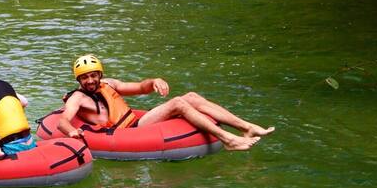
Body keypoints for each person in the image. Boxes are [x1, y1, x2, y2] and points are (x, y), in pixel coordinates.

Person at [56, 54, 273, 151]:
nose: (91, 80)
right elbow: (63, 121)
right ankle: (228, 140)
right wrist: (71, 132)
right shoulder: (78, 97)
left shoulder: (109, 84)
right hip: (127, 132)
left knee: (191, 96)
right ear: (79, 80)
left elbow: (141, 87)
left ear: (99, 74)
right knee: (178, 103)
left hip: (134, 123)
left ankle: (247, 127)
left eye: (93, 75)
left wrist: (154, 81)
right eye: (85, 77)